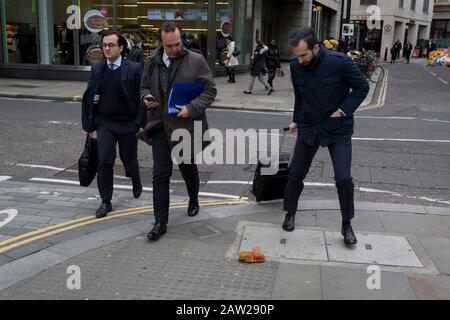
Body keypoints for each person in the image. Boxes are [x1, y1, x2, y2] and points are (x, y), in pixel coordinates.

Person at [283, 27, 369, 246]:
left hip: (337, 127)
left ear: (315, 48)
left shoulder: (339, 62)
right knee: (295, 173)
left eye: (303, 55)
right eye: (296, 56)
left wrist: (343, 111)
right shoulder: (296, 66)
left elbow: (362, 87)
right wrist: (296, 119)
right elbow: (299, 96)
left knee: (343, 178)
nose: (300, 61)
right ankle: (290, 212)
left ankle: (346, 223)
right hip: (309, 125)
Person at [139, 22, 217, 241]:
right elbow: (143, 87)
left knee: (187, 168)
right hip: (159, 126)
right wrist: (146, 98)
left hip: (184, 126)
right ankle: (160, 222)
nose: (174, 49)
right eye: (169, 46)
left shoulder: (196, 60)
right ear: (161, 43)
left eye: (177, 43)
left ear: (181, 38)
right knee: (160, 174)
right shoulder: (151, 63)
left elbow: (210, 90)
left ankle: (193, 198)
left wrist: (191, 108)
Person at [81, 31, 147, 218]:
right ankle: (105, 201)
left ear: (120, 47)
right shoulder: (97, 69)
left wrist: (138, 123)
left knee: (129, 160)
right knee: (104, 160)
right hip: (105, 123)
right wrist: (89, 124)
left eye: (111, 45)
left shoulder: (134, 68)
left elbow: (142, 97)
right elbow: (89, 97)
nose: (107, 48)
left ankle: (135, 178)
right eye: (104, 45)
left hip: (127, 123)